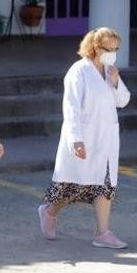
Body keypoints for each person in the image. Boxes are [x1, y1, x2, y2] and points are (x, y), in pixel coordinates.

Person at [38, 27, 130, 249]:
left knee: (105, 184)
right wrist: (76, 139)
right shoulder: (78, 71)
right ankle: (49, 211)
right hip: (85, 138)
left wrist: (117, 81)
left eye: (117, 49)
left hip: (106, 141)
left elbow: (123, 101)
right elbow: (71, 108)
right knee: (74, 187)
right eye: (110, 49)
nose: (114, 53)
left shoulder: (110, 71)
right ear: (96, 48)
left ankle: (103, 233)